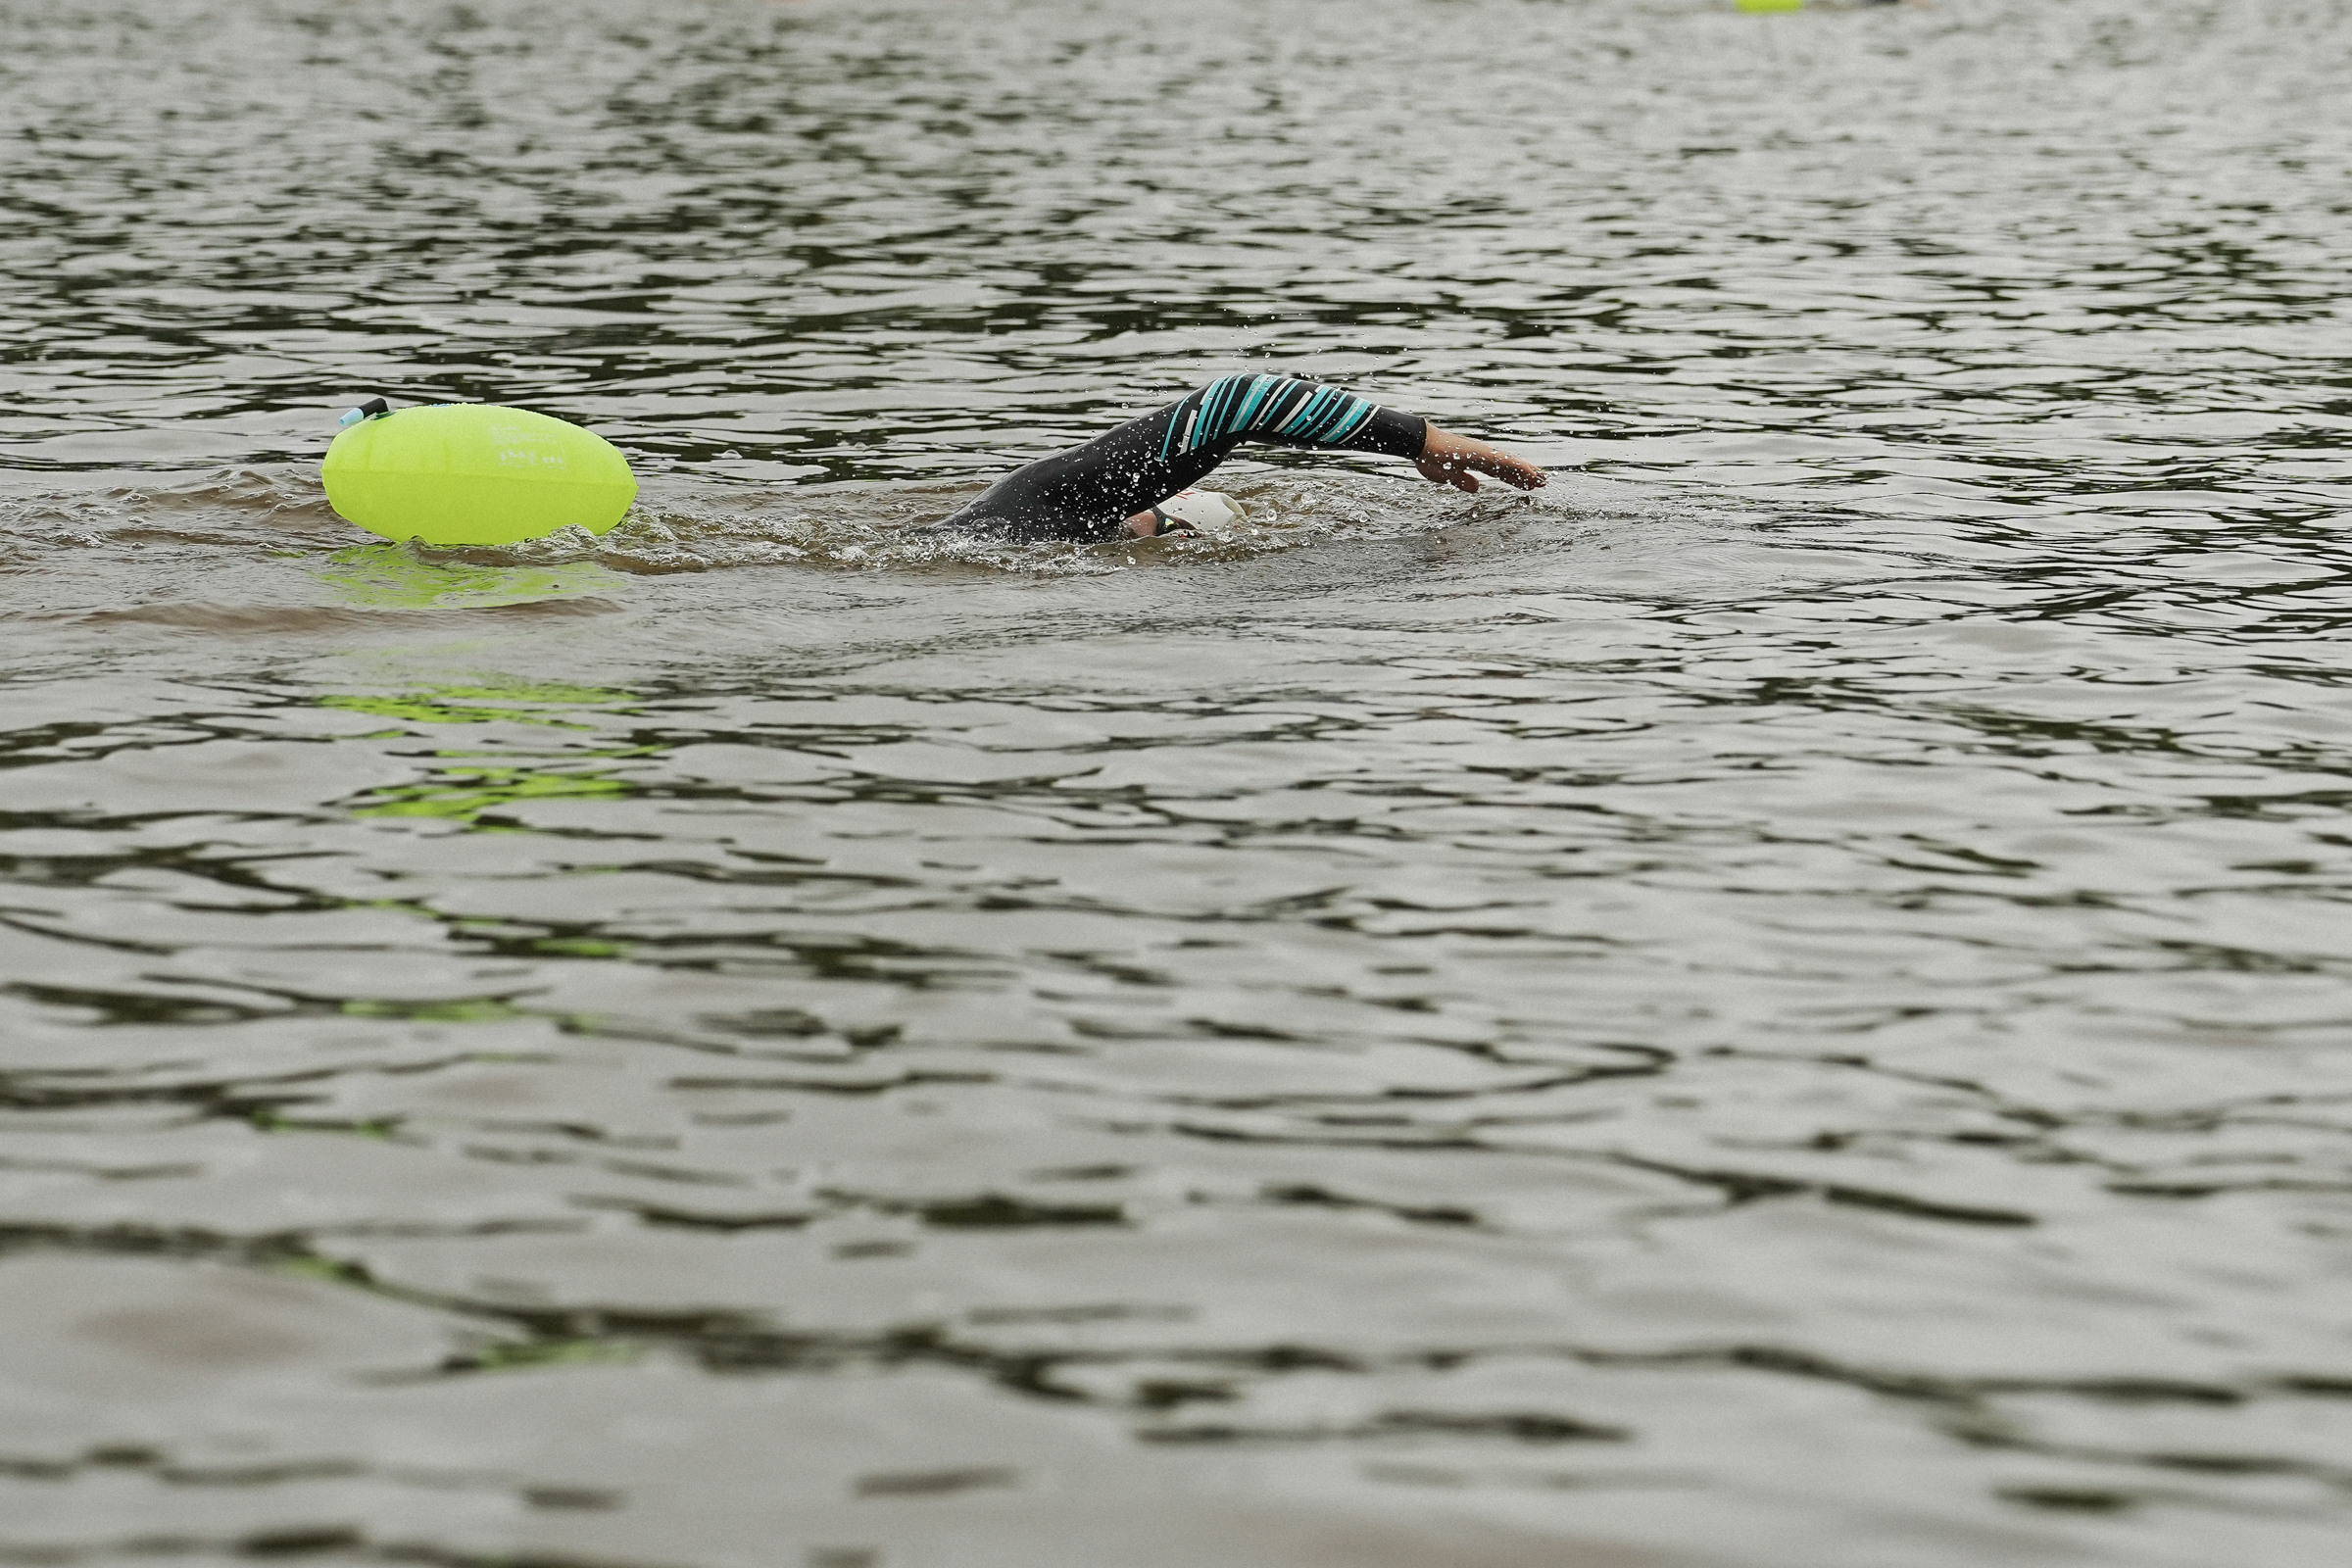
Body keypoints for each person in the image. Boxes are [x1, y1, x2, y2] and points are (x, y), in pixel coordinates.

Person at [929, 372, 1547, 543]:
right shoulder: (1039, 512)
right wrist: (1421, 440)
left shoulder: (1034, 523)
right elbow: (1241, 400)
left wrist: (1156, 524)